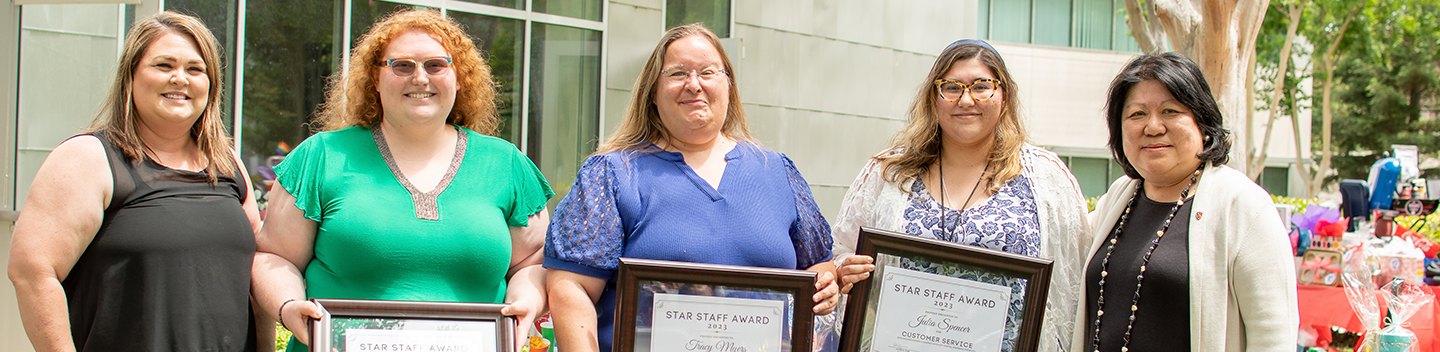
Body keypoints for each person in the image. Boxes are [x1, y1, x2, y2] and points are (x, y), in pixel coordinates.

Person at [250, 9, 553, 352]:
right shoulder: (322, 156)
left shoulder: (505, 163)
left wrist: (526, 301)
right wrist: (289, 306)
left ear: (459, 77)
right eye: (402, 65)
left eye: (436, 65)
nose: (420, 78)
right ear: (375, 79)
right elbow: (275, 257)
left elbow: (533, 262)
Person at [544, 23, 840, 352]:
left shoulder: (778, 172)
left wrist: (825, 284)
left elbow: (818, 264)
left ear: (729, 85)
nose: (694, 84)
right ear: (652, 93)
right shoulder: (614, 174)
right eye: (677, 73)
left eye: (707, 72)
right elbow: (571, 287)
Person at [7, 11, 263, 351]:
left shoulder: (228, 164)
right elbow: (32, 272)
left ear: (211, 84)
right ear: (130, 77)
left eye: (195, 69)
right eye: (163, 65)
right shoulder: (89, 159)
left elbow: (258, 276)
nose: (180, 79)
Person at [830, 39, 1091, 352]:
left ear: (1004, 96)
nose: (966, 99)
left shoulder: (1047, 178)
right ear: (933, 98)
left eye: (982, 86)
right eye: (951, 87)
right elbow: (842, 249)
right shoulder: (890, 171)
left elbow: (1075, 280)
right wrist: (847, 268)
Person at [1075, 52, 1297, 351]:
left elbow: (1273, 336)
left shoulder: (1243, 206)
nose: (1152, 127)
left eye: (1170, 111)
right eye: (1136, 114)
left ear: (1202, 124)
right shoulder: (1118, 198)